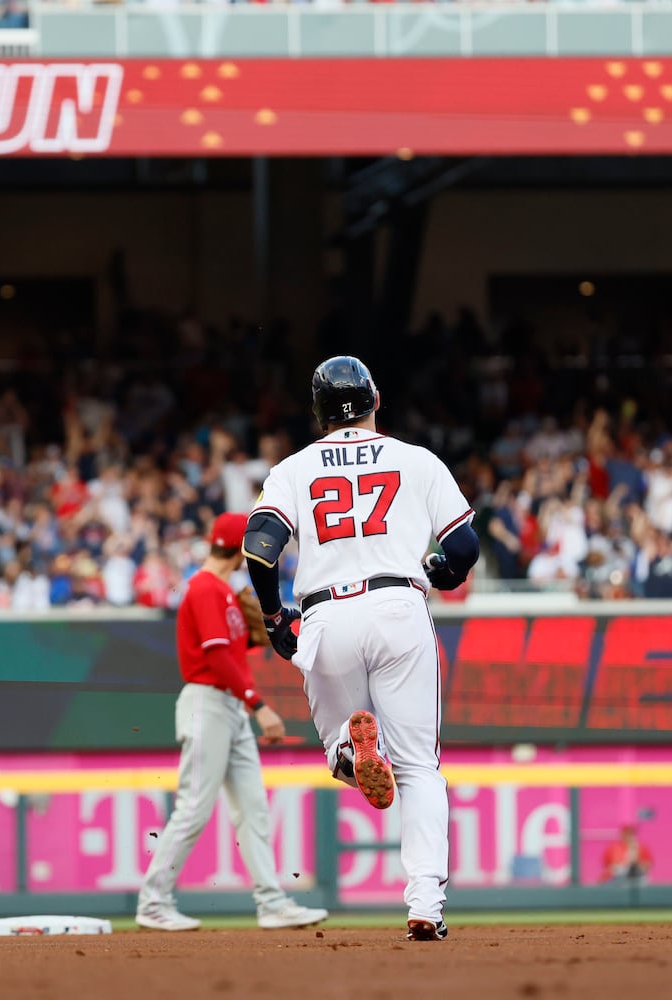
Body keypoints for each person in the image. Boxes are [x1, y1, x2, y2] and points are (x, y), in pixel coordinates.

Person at [242, 356, 479, 942]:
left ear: (318, 414)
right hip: (398, 606)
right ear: (376, 402)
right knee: (420, 767)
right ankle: (425, 902)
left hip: (326, 615)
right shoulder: (416, 459)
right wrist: (446, 572)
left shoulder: (293, 469)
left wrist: (274, 616)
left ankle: (351, 751)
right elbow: (465, 544)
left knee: (336, 751)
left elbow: (259, 549)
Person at [137, 512, 328, 933]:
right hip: (209, 702)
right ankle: (153, 901)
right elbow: (218, 656)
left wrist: (256, 634)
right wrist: (258, 704)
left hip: (229, 708)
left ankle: (272, 903)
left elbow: (232, 647)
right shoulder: (205, 588)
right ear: (236, 547)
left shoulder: (221, 590)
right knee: (194, 808)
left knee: (254, 809)